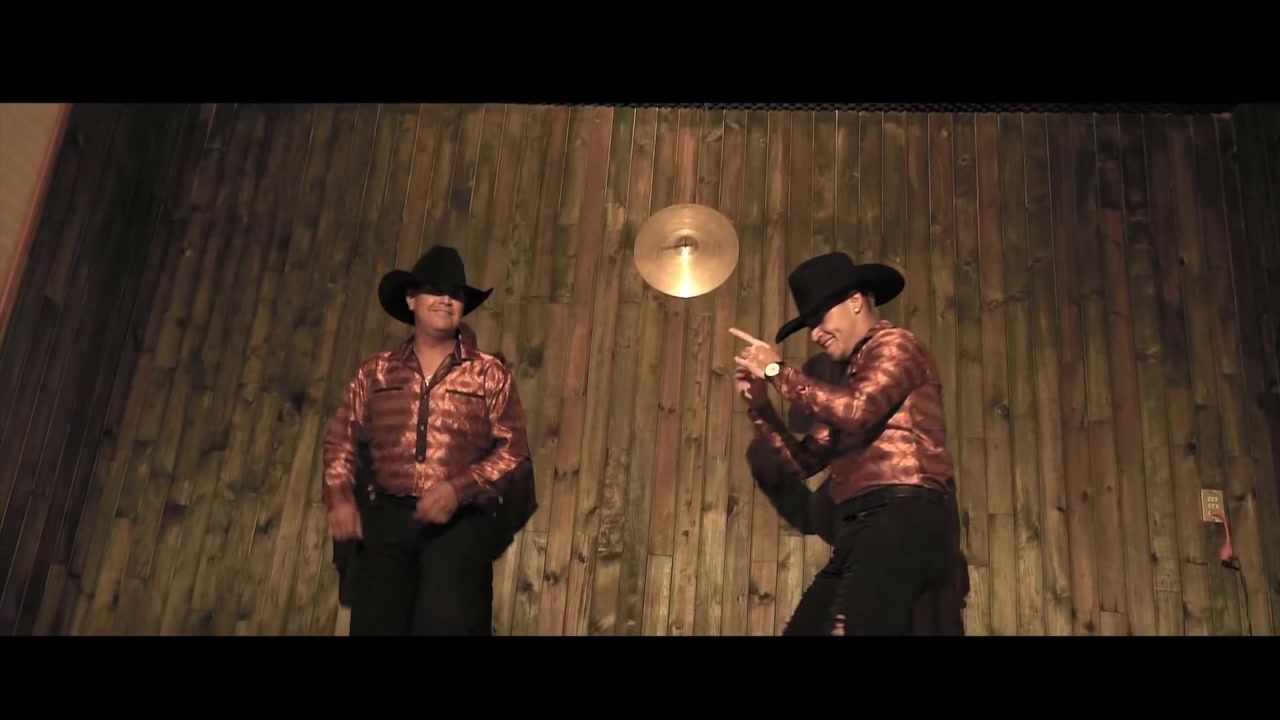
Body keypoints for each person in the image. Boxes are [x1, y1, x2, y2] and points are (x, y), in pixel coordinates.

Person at [730, 251, 968, 636]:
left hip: (904, 515)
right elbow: (802, 463)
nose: (815, 334)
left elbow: (857, 410)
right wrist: (759, 407)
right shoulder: (847, 387)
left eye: (819, 319)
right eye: (809, 324)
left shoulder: (896, 346)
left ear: (855, 302)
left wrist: (776, 370)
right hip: (861, 531)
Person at [322, 245, 534, 635]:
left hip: (459, 526)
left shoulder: (489, 374)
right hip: (386, 521)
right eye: (435, 290)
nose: (446, 300)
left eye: (455, 293)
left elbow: (514, 453)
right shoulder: (376, 371)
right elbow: (342, 440)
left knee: (448, 624)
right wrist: (340, 497)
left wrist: (458, 489)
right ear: (411, 300)